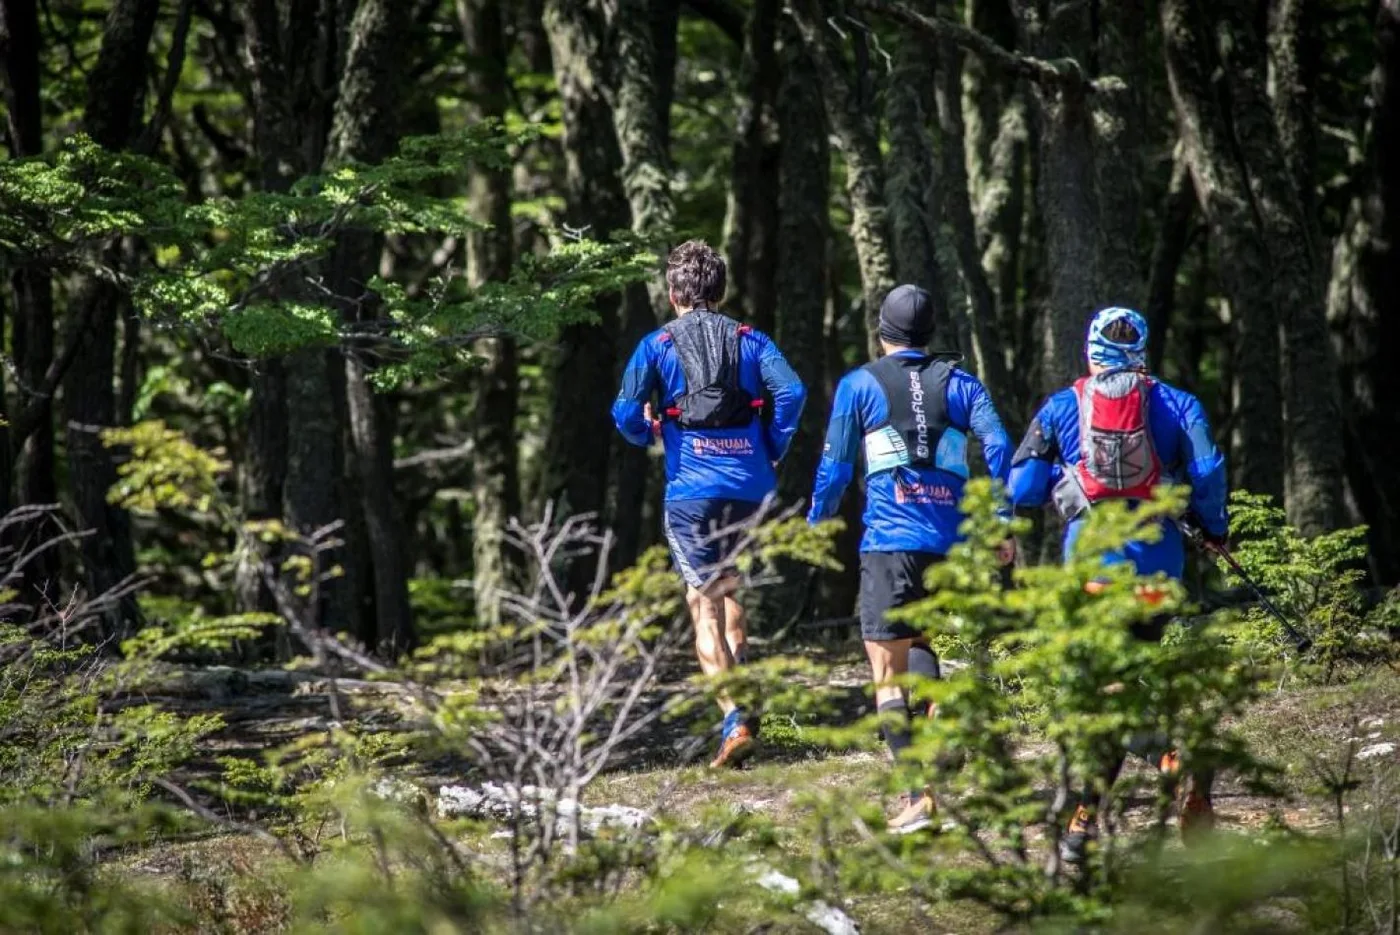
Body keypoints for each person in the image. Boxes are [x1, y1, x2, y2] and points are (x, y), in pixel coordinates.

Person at [1008, 306, 1229, 864]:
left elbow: (1023, 486)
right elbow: (1207, 473)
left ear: (1090, 351)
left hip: (1093, 578)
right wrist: (1215, 528)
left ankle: (1164, 762)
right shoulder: (1179, 405)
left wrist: (1062, 479)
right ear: (1143, 352)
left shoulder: (1063, 406)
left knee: (1102, 697)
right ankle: (1086, 820)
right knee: (1123, 686)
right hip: (1158, 574)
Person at [808, 284, 1015, 834]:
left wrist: (816, 519)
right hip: (952, 545)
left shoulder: (860, 384)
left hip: (889, 544)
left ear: (882, 332)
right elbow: (998, 447)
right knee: (921, 639)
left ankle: (918, 795)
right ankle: (942, 720)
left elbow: (833, 466)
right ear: (930, 334)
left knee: (886, 669)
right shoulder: (963, 384)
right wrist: (1002, 519)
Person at [612, 240, 807, 769]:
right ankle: (743, 689)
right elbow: (792, 393)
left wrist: (650, 431)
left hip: (691, 492)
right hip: (750, 487)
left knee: (702, 603)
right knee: (730, 583)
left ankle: (734, 717)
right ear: (719, 291)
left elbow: (624, 411)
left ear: (673, 293)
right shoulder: (752, 340)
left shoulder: (655, 346)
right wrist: (771, 444)